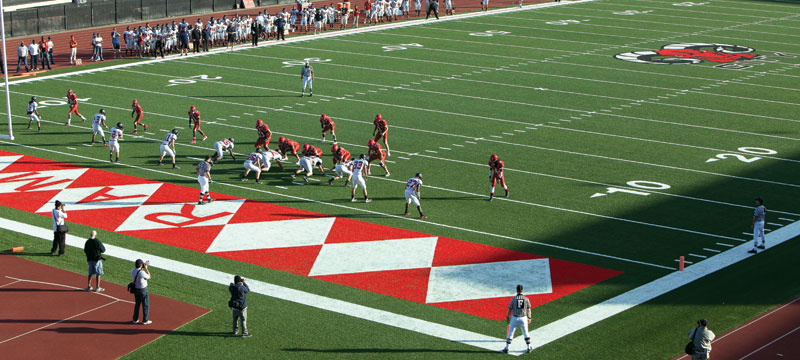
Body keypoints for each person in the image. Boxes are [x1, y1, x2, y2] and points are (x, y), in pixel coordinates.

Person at [502, 284, 532, 354]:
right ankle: (529, 347)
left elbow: (510, 308)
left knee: (511, 333)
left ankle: (507, 348)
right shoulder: (526, 299)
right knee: (526, 333)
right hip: (523, 317)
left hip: (515, 317)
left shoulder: (513, 299)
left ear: (516, 290)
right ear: (522, 290)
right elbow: (529, 310)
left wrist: (507, 316)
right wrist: (529, 317)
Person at [131, 259, 152, 325]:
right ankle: (145, 320)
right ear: (141, 265)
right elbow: (149, 277)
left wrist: (142, 268)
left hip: (136, 290)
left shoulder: (133, 270)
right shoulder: (142, 272)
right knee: (145, 305)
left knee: (137, 305)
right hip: (143, 290)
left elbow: (139, 273)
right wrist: (146, 268)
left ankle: (135, 319)